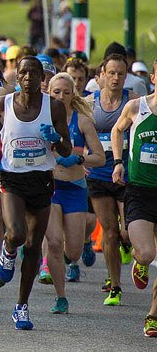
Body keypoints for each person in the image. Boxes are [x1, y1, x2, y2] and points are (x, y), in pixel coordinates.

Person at [0, 55, 72, 330]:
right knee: (17, 233)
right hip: (11, 178)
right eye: (24, 73)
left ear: (42, 78)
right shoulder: (4, 103)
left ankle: (21, 306)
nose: (30, 78)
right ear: (17, 77)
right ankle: (7, 252)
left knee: (34, 246)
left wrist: (56, 140)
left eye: (35, 73)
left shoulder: (54, 107)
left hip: (41, 180)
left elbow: (67, 149)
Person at [41, 72, 104, 314]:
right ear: (49, 92)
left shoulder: (82, 121)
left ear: (73, 95)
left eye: (67, 92)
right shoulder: (41, 119)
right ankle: (60, 296)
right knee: (55, 243)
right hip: (52, 188)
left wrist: (78, 158)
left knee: (73, 251)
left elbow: (99, 157)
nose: (61, 96)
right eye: (57, 92)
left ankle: (72, 258)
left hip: (75, 188)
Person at [87, 54, 139, 306]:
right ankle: (115, 285)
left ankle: (128, 246)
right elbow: (76, 130)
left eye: (121, 73)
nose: (116, 77)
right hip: (98, 174)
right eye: (112, 73)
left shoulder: (133, 102)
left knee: (126, 232)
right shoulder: (89, 103)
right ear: (102, 75)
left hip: (126, 174)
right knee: (108, 232)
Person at [109, 62, 157, 337]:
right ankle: (139, 261)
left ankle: (153, 315)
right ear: (153, 78)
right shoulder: (138, 107)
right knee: (148, 253)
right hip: (139, 190)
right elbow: (117, 130)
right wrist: (118, 162)